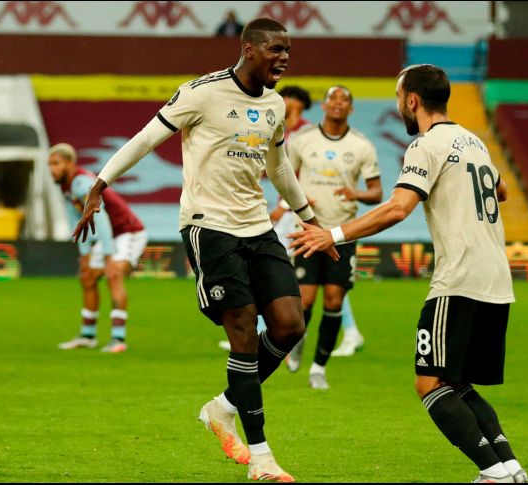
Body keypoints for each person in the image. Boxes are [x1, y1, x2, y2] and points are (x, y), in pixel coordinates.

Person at [72, 18, 337, 482]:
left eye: (288, 50)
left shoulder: (275, 105)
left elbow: (278, 170)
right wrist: (100, 183)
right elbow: (145, 139)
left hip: (257, 227)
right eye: (276, 49)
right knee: (241, 330)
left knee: (291, 325)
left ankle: (223, 407)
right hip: (208, 227)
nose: (284, 58)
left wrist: (312, 221)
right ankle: (261, 457)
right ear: (249, 49)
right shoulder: (201, 93)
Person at [289, 64, 528, 483]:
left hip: (458, 279)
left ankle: (492, 473)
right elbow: (502, 190)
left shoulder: (427, 144)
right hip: (496, 279)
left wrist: (334, 235)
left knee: (429, 382)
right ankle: (510, 468)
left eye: (400, 97)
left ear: (412, 100)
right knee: (457, 382)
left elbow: (398, 208)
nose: (400, 105)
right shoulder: (473, 140)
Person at [286, 85, 382, 389]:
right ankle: (297, 341)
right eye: (333, 99)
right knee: (305, 299)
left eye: (345, 100)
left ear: (351, 109)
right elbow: (284, 177)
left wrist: (357, 193)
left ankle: (318, 368)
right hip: (309, 231)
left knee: (333, 298)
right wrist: (298, 200)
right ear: (324, 106)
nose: (338, 103)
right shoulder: (302, 141)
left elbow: (377, 192)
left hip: (342, 233)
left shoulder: (362, 145)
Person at [217, 84, 313, 352]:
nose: (287, 104)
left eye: (291, 100)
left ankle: (267, 328)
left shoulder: (305, 132)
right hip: (283, 203)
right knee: (311, 275)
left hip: (298, 205)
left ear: (300, 104)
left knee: (295, 269)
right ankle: (260, 328)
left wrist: (284, 205)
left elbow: (300, 172)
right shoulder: (274, 123)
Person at [49, 143, 147, 354]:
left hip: (128, 232)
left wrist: (108, 257)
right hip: (111, 235)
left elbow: (101, 219)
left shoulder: (82, 182)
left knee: (114, 274)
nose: (52, 169)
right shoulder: (66, 186)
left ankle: (118, 339)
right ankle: (87, 335)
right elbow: (76, 219)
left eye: (56, 163)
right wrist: (84, 255)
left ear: (69, 163)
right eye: (50, 164)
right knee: (87, 277)